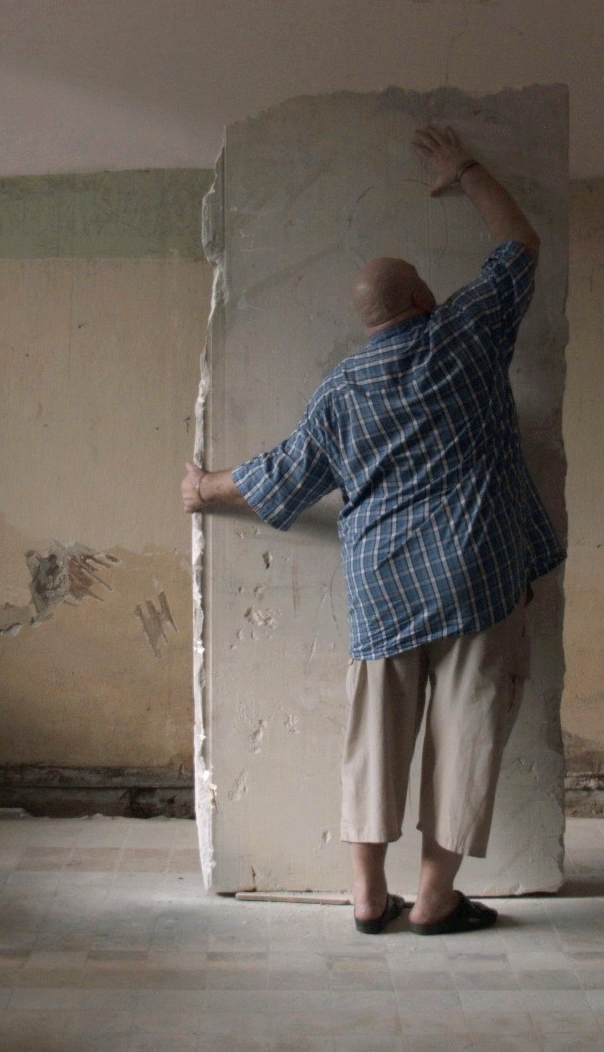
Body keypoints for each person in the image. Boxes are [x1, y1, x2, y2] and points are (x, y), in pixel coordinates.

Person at [183, 125, 564, 935]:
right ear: (422, 299)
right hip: (479, 575)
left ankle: (365, 895)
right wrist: (466, 169)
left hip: (384, 587)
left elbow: (282, 475)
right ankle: (433, 899)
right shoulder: (466, 335)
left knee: (374, 742)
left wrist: (203, 487)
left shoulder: (340, 392)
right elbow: (520, 244)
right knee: (466, 737)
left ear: (368, 322)